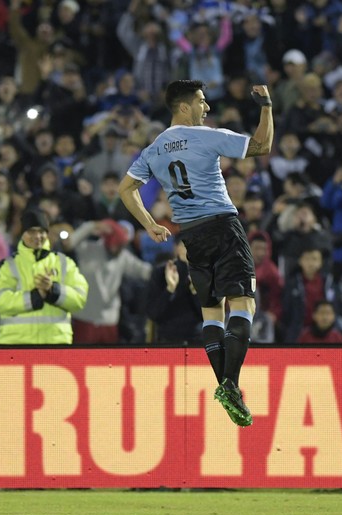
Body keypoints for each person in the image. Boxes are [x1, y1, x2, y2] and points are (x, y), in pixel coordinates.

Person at [119, 79, 274, 427]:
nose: (206, 108)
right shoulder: (206, 136)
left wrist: (149, 224)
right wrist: (266, 106)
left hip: (191, 236)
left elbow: (126, 189)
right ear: (185, 107)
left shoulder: (155, 148)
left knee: (211, 313)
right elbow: (262, 145)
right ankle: (231, 383)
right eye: (201, 102)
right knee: (243, 304)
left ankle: (225, 388)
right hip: (223, 226)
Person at [0, 208, 88, 345]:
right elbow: (1, 302)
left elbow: (80, 298)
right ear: (22, 234)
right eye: (31, 231)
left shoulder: (65, 263)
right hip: (14, 345)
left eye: (41, 231)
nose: (37, 236)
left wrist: (53, 290)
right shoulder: (7, 266)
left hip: (55, 345)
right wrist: (35, 296)